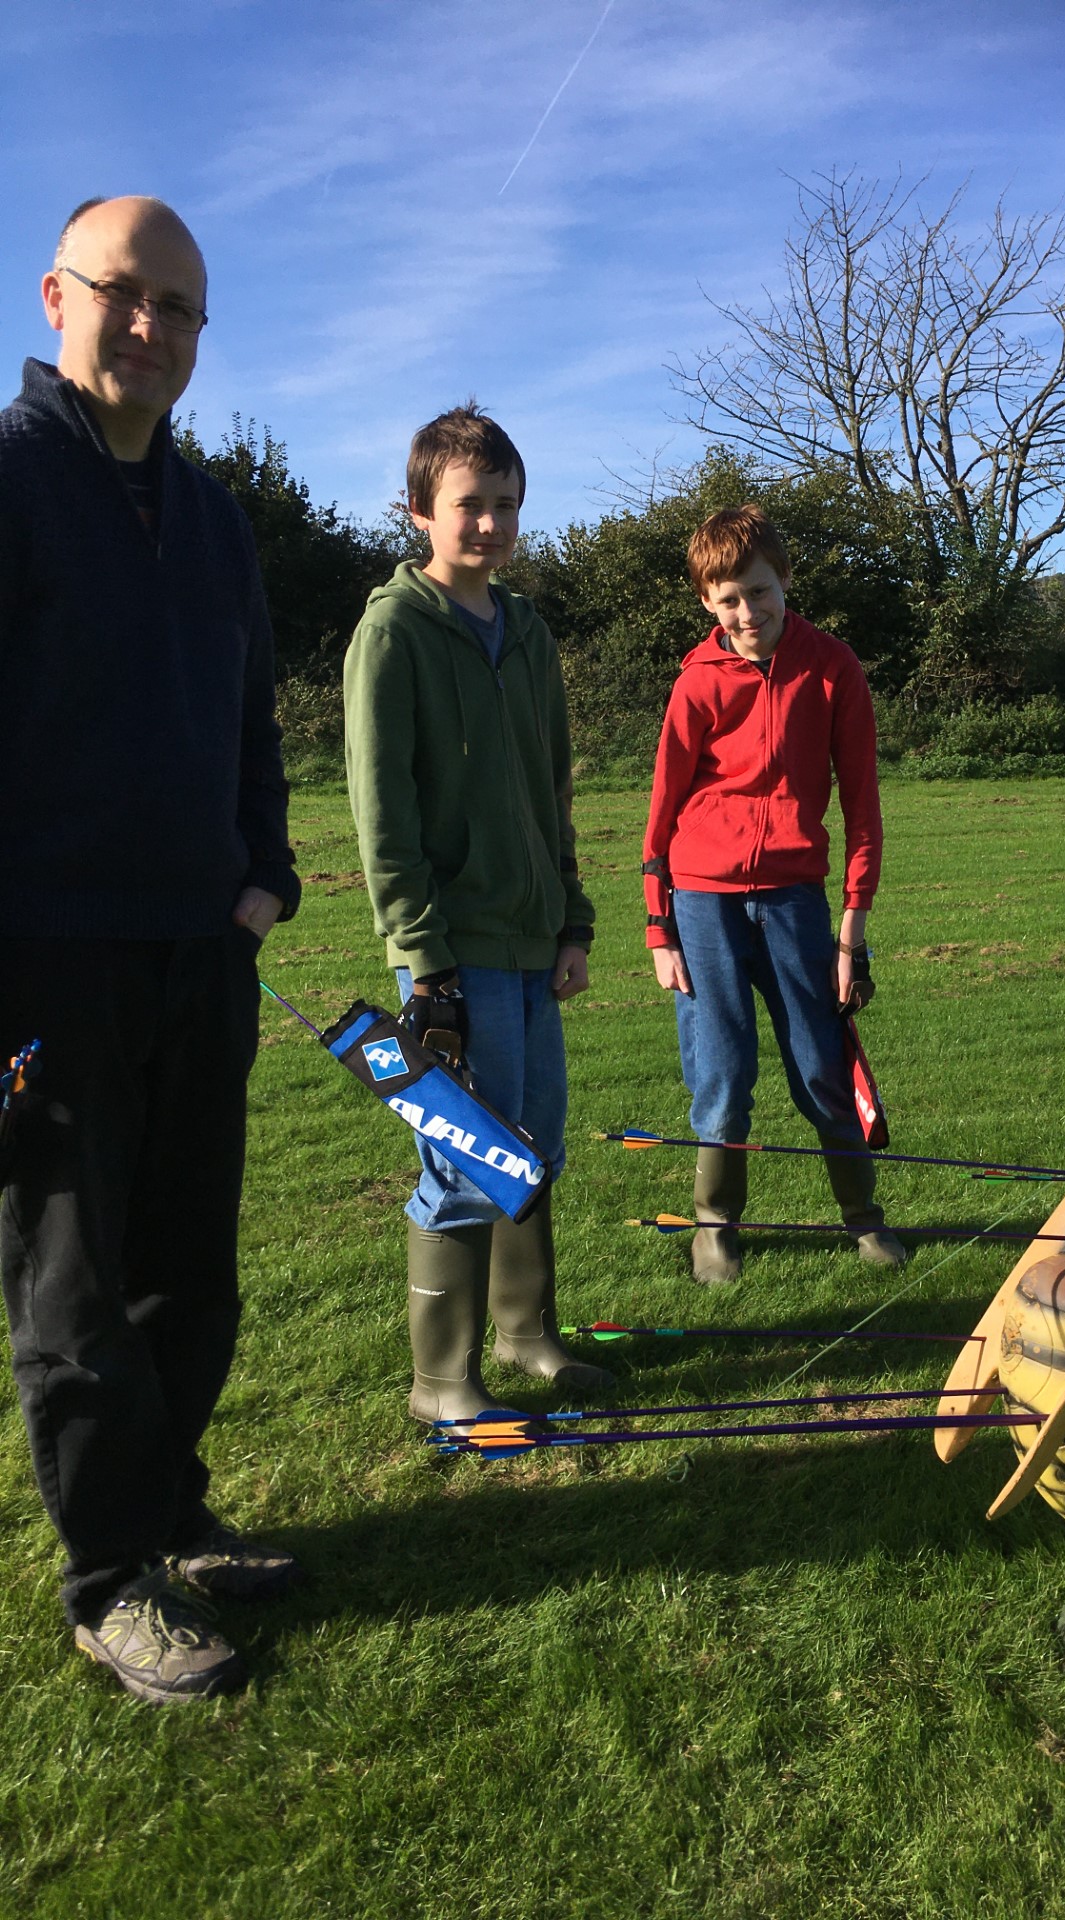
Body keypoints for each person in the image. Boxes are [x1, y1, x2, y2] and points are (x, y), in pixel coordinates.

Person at [0, 197, 302, 1704]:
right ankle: (110, 1578)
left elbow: (253, 723)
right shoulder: (9, 483)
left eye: (182, 309)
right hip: (47, 966)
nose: (154, 330)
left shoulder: (216, 515)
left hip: (203, 952)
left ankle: (170, 1512)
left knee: (194, 1270)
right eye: (128, 296)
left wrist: (263, 880)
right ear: (56, 295)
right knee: (74, 1288)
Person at [344, 404, 613, 1423]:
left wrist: (573, 922)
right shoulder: (393, 632)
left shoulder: (530, 631)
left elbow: (553, 790)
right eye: (470, 505)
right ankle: (441, 1382)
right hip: (452, 950)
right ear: (421, 512)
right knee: (469, 1157)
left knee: (533, 1142)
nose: (490, 524)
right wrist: (423, 957)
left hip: (533, 938)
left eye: (506, 505)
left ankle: (527, 1335)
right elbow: (385, 808)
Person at [642, 504, 906, 1283]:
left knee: (822, 1070)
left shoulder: (834, 669)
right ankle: (715, 1227)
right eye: (728, 600)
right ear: (706, 603)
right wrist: (661, 933)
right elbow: (659, 814)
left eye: (759, 592)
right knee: (721, 1079)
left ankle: (863, 1218)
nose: (747, 613)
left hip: (796, 900)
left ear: (785, 581)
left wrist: (851, 938)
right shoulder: (696, 683)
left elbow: (862, 811)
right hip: (701, 902)